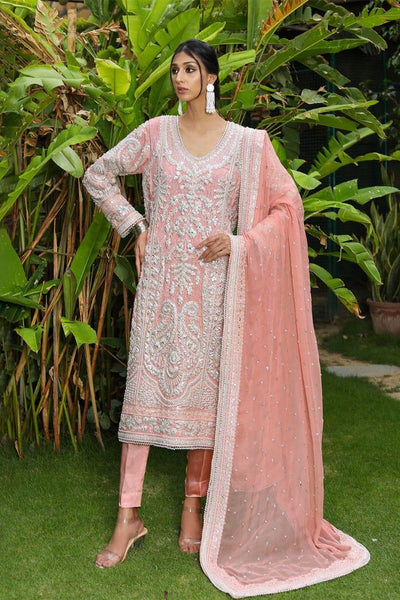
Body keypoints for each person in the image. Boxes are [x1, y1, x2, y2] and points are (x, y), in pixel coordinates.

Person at [82, 39, 370, 597]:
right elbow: (97, 174)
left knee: (208, 404)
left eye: (190, 69)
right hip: (162, 288)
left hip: (216, 289)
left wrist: (240, 243)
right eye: (175, 70)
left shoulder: (246, 145)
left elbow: (287, 208)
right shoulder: (156, 134)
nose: (180, 78)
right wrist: (135, 226)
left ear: (211, 77)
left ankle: (193, 506)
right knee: (143, 396)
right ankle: (127, 516)